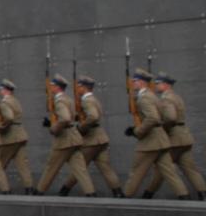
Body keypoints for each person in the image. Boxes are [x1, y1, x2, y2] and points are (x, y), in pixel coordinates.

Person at [121, 69, 189, 199]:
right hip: (161, 140)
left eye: (134, 81)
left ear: (141, 82)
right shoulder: (152, 96)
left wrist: (137, 131)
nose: (132, 83)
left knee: (136, 171)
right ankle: (184, 196)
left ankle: (126, 198)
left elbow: (152, 118)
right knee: (170, 172)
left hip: (150, 141)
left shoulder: (144, 98)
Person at [59, 75, 124, 198]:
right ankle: (118, 192)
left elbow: (93, 116)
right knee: (106, 168)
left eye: (78, 86)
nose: (77, 89)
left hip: (91, 140)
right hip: (100, 139)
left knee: (79, 167)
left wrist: (80, 127)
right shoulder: (93, 99)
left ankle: (65, 190)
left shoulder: (87, 100)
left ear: (84, 87)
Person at [144, 72, 203, 199]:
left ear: (165, 85)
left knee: (163, 168)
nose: (155, 86)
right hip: (184, 137)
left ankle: (150, 195)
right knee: (190, 169)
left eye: (158, 84)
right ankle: (203, 194)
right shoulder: (176, 97)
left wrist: (163, 129)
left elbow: (170, 117)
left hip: (174, 139)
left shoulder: (166, 99)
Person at [33, 74, 94, 197]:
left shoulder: (59, 100)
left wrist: (53, 128)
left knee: (52, 166)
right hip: (74, 138)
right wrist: (51, 122)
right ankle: (90, 192)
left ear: (57, 87)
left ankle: (39, 191)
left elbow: (65, 118)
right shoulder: (68, 99)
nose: (50, 88)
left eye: (52, 86)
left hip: (64, 139)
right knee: (79, 168)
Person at [0, 78, 34, 195]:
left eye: (1, 89)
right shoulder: (15, 101)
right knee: (22, 164)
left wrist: (1, 128)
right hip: (20, 135)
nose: (0, 91)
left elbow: (9, 118)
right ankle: (29, 188)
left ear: (6, 90)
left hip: (11, 137)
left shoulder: (5, 103)